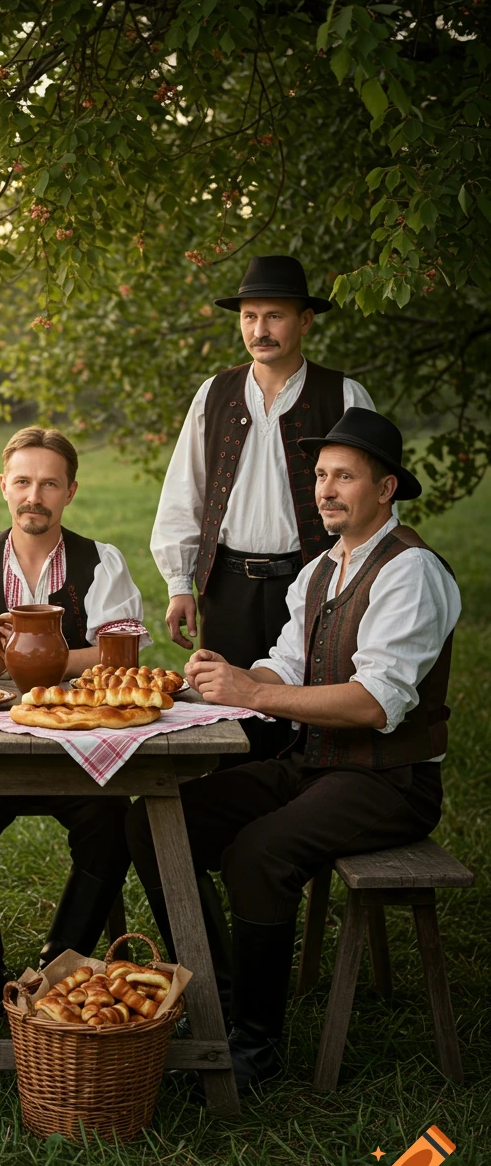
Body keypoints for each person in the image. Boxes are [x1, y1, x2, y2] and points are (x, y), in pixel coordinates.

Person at [127, 409, 461, 1093]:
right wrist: (229, 682)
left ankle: (254, 1048)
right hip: (315, 766)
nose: (327, 489)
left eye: (345, 476)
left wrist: (255, 696)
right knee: (152, 821)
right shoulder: (317, 571)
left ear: (387, 487)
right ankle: (216, 1001)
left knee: (259, 856)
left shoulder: (411, 572)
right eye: (320, 476)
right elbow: (285, 665)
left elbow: (374, 703)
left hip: (389, 780)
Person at [0, 425, 150, 1031]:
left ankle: (57, 971)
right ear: (3, 486)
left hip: (80, 745)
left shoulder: (101, 560)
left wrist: (38, 662)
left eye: (49, 483)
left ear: (70, 491)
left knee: (113, 826)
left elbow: (117, 652)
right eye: (23, 481)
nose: (35, 495)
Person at [150, 255, 377, 760]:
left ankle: (300, 812)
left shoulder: (342, 394)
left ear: (305, 320)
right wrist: (177, 584)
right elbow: (183, 490)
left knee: (303, 710)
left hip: (314, 581)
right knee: (225, 716)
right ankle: (228, 819)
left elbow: (371, 499)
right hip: (225, 586)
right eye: (250, 317)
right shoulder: (214, 393)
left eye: (274, 316)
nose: (260, 329)